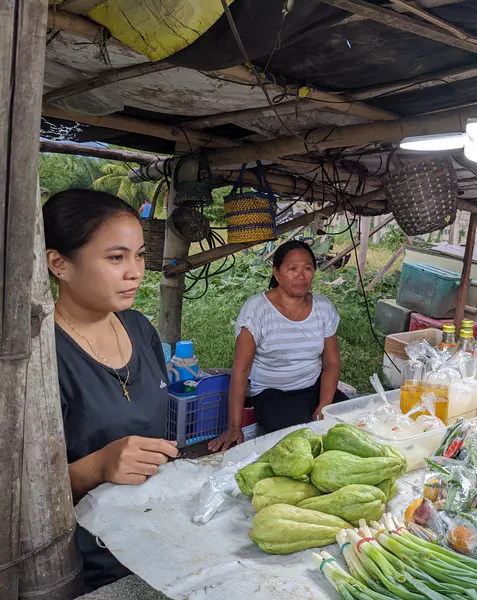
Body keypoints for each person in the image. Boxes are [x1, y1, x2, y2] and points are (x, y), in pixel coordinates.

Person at [44, 189, 178, 592]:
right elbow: (16, 489)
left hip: (161, 532)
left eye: (138, 255)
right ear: (59, 263)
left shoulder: (139, 327)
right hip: (85, 560)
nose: (135, 271)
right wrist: (98, 467)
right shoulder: (39, 356)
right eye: (116, 258)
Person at [209, 240, 347, 451]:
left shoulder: (323, 308)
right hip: (273, 395)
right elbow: (241, 369)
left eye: (308, 268)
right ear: (277, 273)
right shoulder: (257, 309)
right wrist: (234, 426)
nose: (301, 275)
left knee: (353, 424)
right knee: (305, 444)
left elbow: (331, 362)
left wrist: (324, 406)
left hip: (316, 388)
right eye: (292, 269)